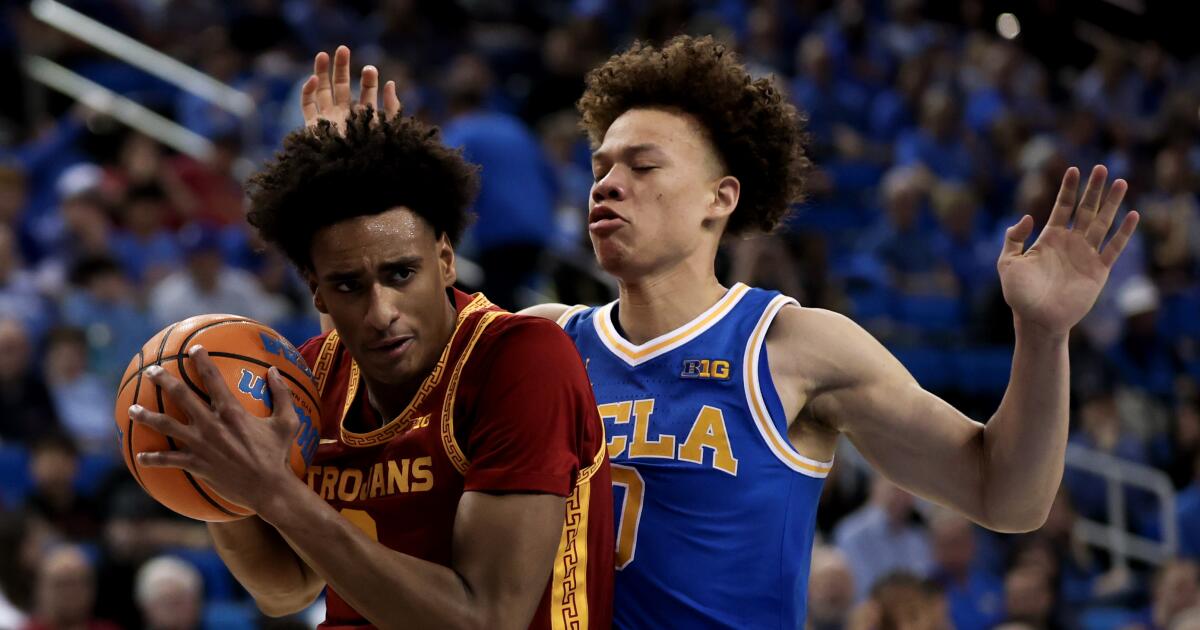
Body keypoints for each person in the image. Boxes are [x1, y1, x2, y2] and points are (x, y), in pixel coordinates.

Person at [306, 34, 1138, 627]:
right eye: (599, 167)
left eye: (641, 166)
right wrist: (347, 195)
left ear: (721, 198)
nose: (608, 184)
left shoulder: (794, 347)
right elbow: (377, 361)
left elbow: (1008, 496)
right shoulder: (538, 339)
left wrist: (1041, 334)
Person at [129, 108, 613, 628]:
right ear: (315, 288)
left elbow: (488, 619)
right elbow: (284, 589)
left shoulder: (521, 358)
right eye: (347, 285)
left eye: (401, 273)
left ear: (446, 260)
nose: (381, 313)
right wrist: (218, 481)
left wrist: (275, 491)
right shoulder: (307, 377)